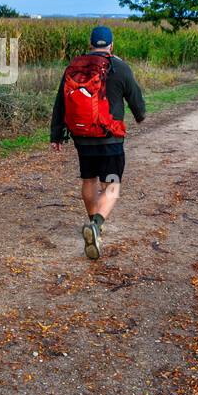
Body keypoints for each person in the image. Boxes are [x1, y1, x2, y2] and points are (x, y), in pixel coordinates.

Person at [50, 25, 146, 260]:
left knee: (89, 179)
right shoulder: (119, 66)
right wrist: (140, 115)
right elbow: (136, 100)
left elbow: (60, 101)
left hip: (82, 138)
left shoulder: (74, 67)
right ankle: (96, 224)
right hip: (110, 138)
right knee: (112, 185)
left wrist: (56, 134)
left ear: (90, 44)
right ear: (111, 45)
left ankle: (95, 227)